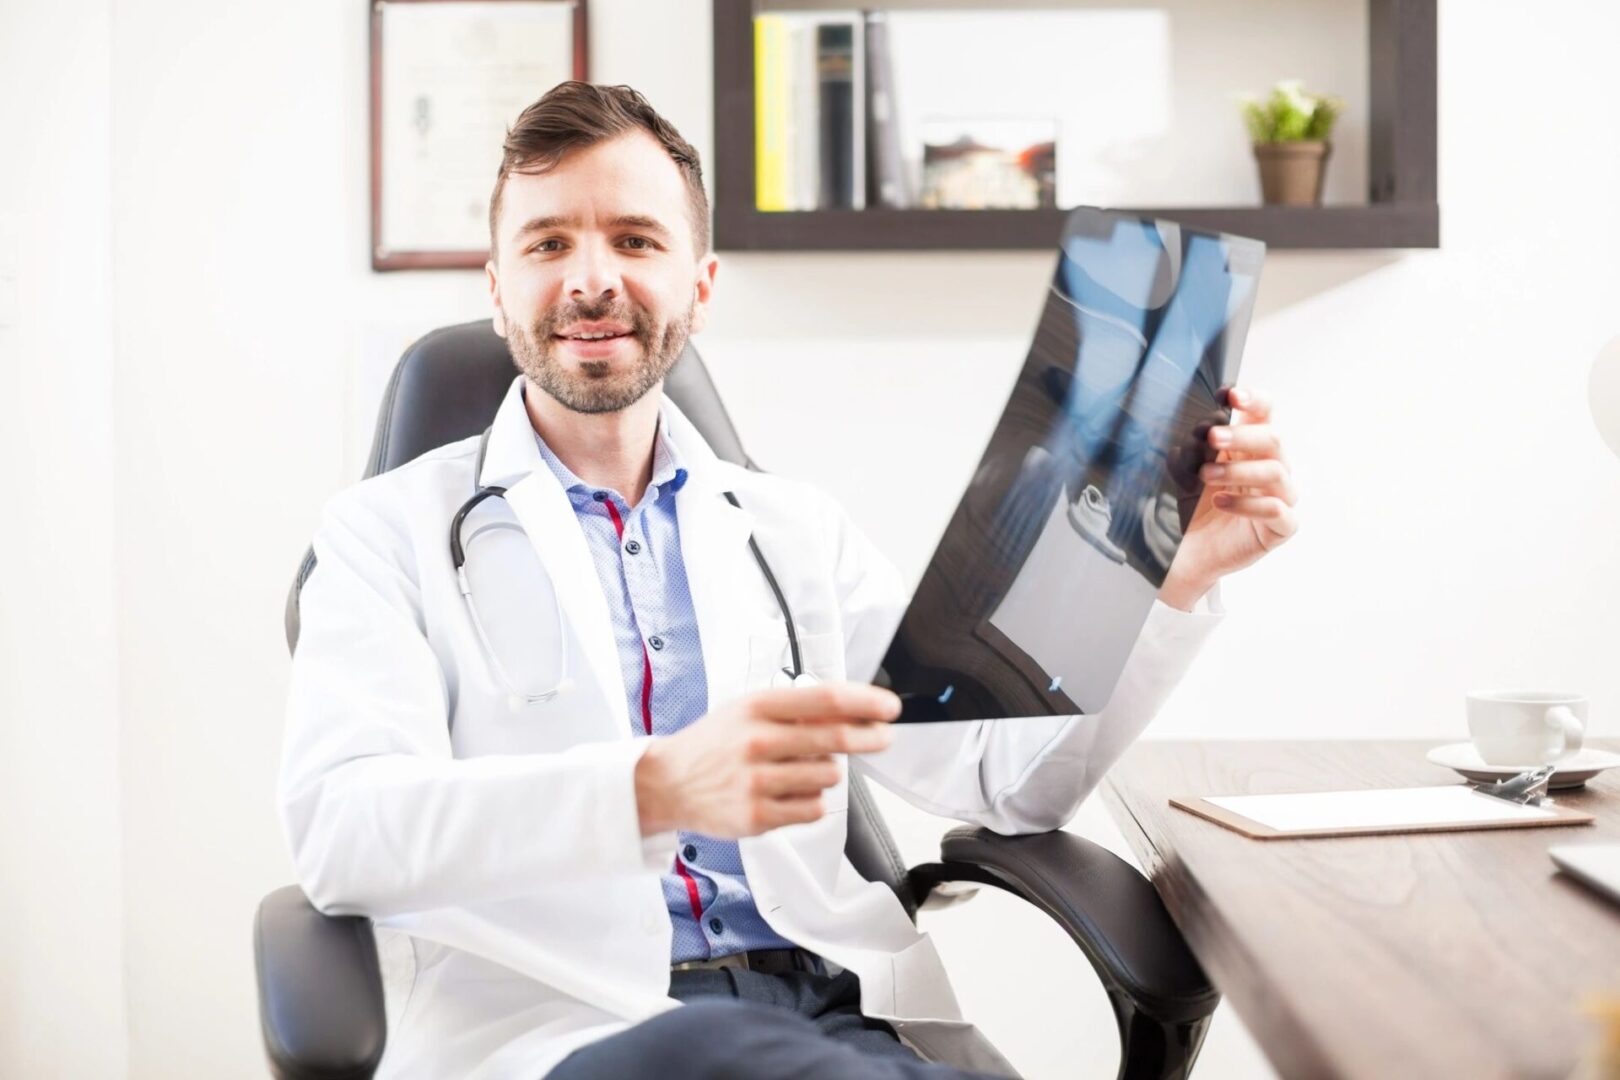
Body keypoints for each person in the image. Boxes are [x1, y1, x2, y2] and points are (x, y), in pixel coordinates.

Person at [278, 81, 1300, 1080]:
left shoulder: (790, 532)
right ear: (497, 288)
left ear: (701, 286)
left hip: (834, 1014)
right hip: (577, 1028)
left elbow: (1009, 779)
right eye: (548, 243)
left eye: (636, 240)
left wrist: (1170, 581)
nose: (593, 279)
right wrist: (652, 789)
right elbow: (342, 831)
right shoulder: (384, 536)